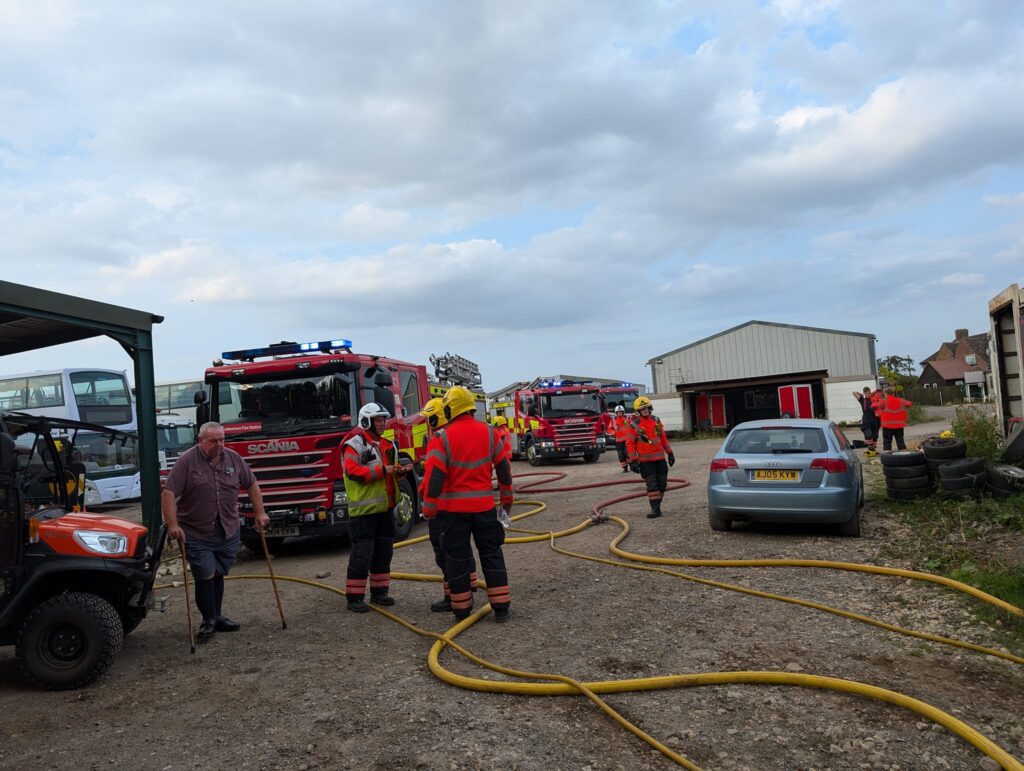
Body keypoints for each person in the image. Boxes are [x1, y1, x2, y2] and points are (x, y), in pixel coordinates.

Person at [162, 421, 269, 641]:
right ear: (201, 441)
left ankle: (216, 616)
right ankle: (208, 620)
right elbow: (169, 492)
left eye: (222, 439)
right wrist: (173, 525)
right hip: (196, 530)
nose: (220, 444)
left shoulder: (233, 458)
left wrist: (260, 513)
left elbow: (251, 484)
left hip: (227, 529)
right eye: (214, 441)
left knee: (218, 571)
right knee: (205, 573)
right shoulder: (186, 462)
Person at [422, 386, 514, 623]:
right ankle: (501, 608)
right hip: (484, 509)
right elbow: (503, 468)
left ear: (450, 408)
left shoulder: (442, 438)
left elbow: (434, 478)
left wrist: (429, 509)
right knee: (492, 554)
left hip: (454, 513)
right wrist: (506, 500)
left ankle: (462, 610)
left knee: (457, 558)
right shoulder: (489, 432)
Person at [342, 402, 411, 612]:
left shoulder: (388, 445)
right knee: (362, 554)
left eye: (383, 420)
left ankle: (379, 593)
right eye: (378, 420)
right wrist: (383, 470)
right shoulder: (354, 445)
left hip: (385, 509)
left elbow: (390, 475)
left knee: (384, 552)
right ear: (367, 421)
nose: (382, 424)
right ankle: (354, 597)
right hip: (363, 512)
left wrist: (400, 472)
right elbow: (353, 472)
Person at [420, 398, 477, 613]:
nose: (427, 423)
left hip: (442, 507)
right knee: (462, 549)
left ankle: (453, 595)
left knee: (445, 553)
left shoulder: (440, 439)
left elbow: (436, 477)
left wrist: (427, 505)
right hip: (457, 506)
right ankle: (469, 585)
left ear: (436, 417)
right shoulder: (454, 435)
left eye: (428, 418)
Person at [626, 396, 675, 519]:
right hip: (646, 462)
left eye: (646, 408)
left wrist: (670, 453)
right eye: (642, 409)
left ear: (650, 408)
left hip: (660, 460)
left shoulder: (656, 420)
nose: (645, 410)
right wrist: (633, 461)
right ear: (638, 411)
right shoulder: (634, 425)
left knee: (662, 484)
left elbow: (663, 438)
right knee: (652, 485)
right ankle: (655, 509)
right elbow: (630, 444)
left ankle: (657, 505)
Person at [877, 386, 912, 452]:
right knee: (900, 441)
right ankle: (904, 457)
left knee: (887, 443)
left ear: (885, 393)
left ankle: (888, 458)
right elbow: (909, 404)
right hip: (899, 426)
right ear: (893, 393)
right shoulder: (901, 400)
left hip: (887, 426)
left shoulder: (883, 401)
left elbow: (874, 406)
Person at [852, 386, 880, 456]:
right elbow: (854, 393)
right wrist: (861, 394)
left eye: (869, 392)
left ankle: (872, 450)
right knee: (868, 434)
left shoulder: (874, 399)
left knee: (875, 435)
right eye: (866, 393)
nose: (868, 394)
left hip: (875, 419)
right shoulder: (862, 400)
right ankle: (870, 450)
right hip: (866, 419)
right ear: (864, 393)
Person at [610, 405, 631, 472]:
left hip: (627, 440)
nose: (619, 413)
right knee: (621, 455)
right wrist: (614, 433)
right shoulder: (613, 421)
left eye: (621, 412)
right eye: (618, 412)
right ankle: (625, 468)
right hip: (618, 441)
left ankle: (632, 465)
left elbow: (632, 427)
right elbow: (609, 429)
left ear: (623, 412)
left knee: (628, 453)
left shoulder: (627, 419)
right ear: (616, 413)